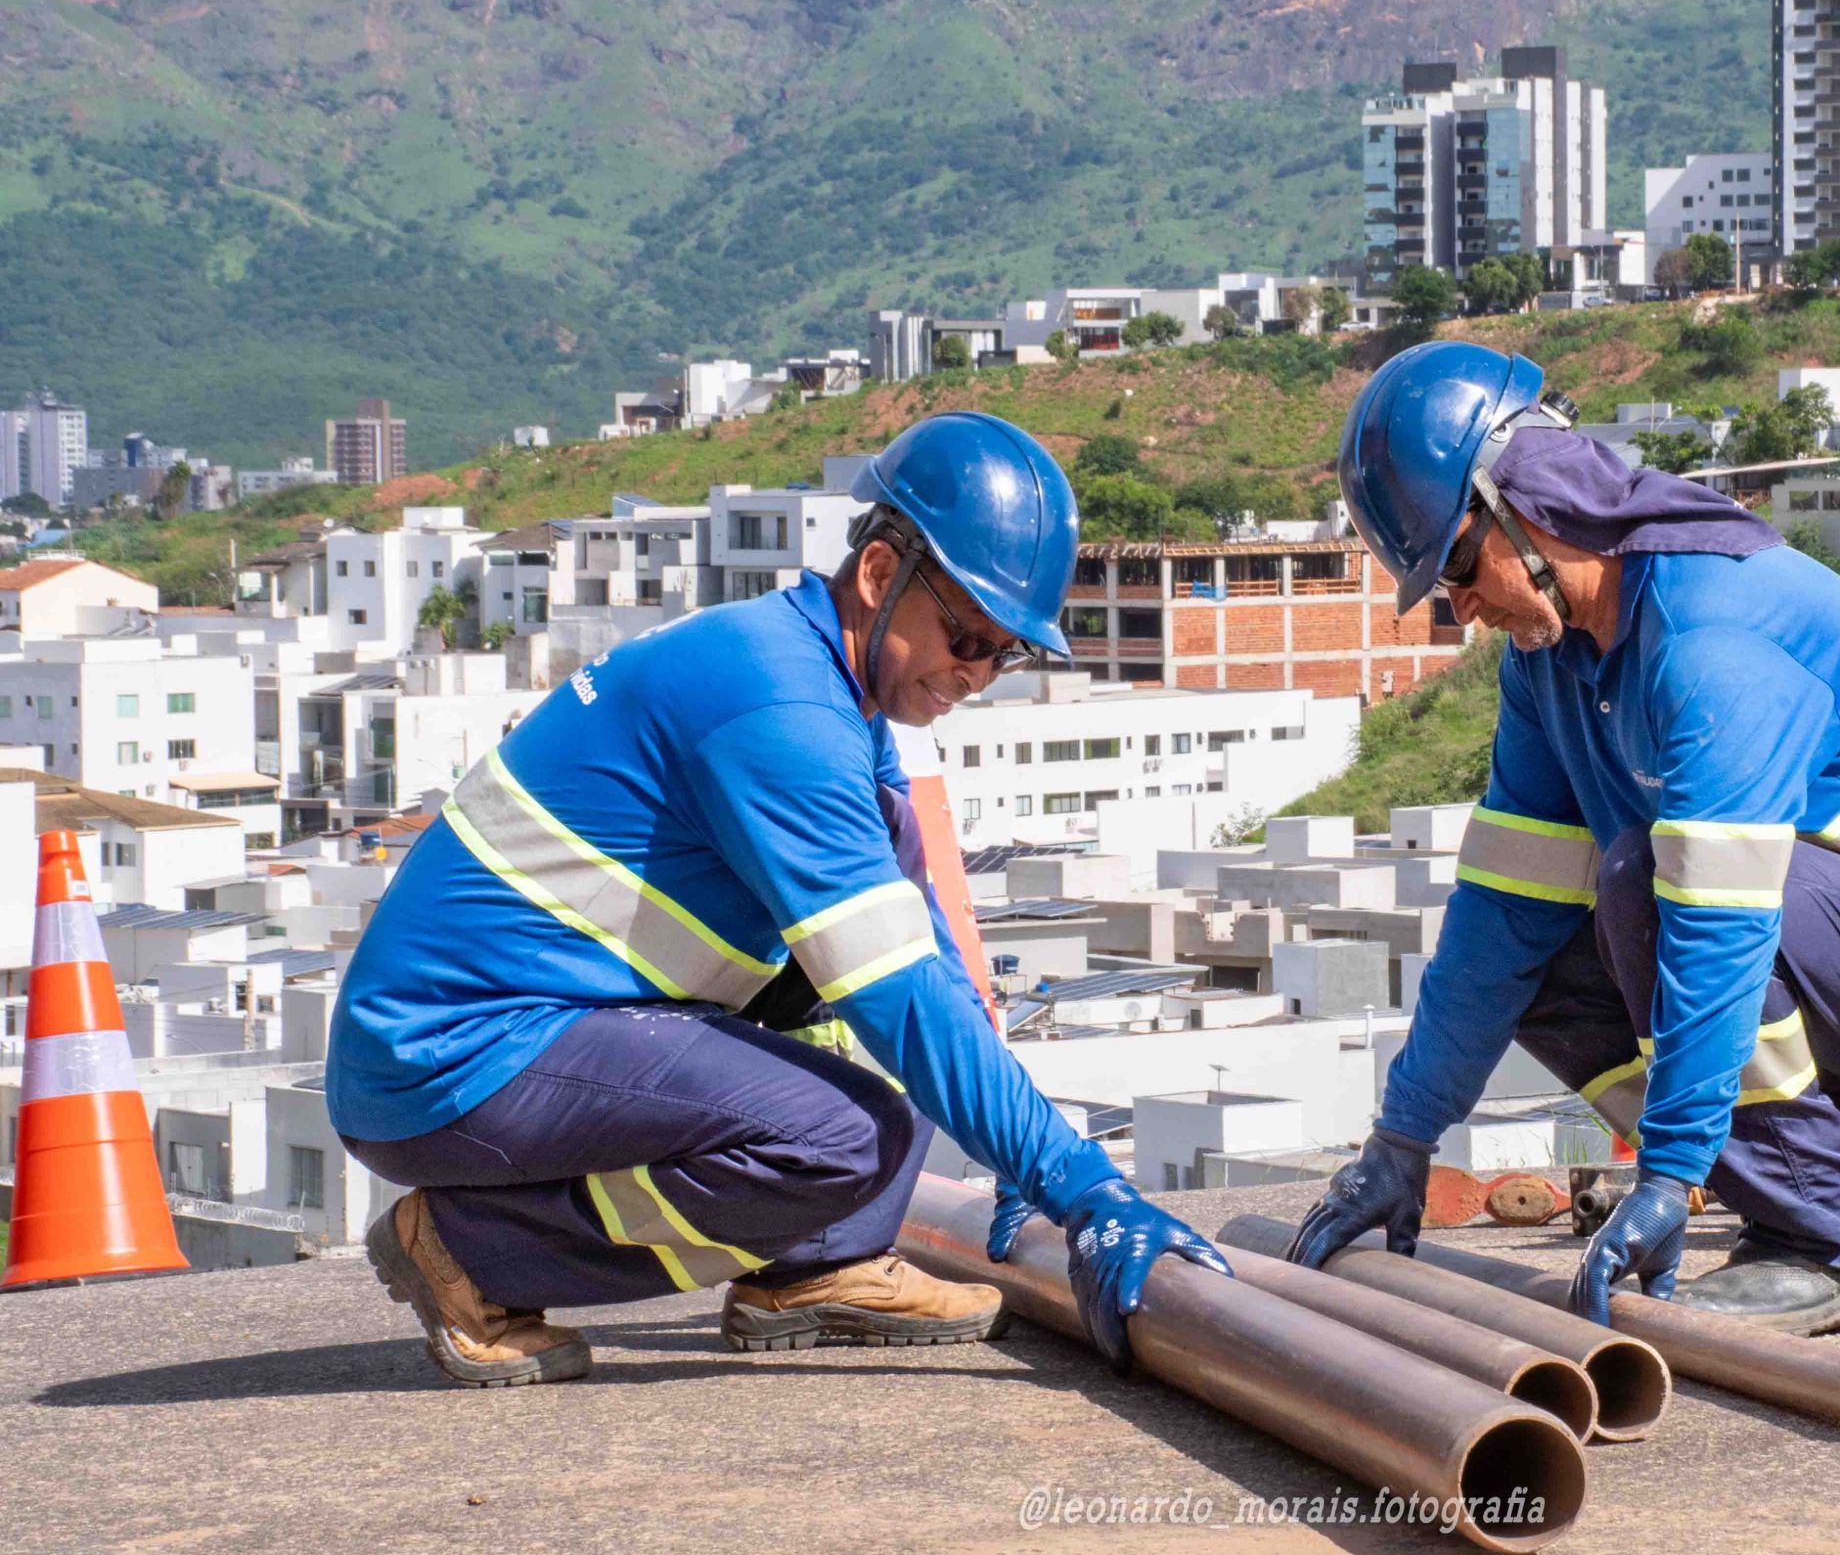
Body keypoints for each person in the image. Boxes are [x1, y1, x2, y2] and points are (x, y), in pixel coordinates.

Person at [330, 412, 1226, 1387]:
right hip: (449, 1054)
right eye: (967, 634)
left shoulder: (834, 697)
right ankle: (470, 1253)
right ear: (880, 576)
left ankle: (811, 1269)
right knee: (839, 1131)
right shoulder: (777, 708)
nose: (974, 674)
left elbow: (920, 955)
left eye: (1005, 653)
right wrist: (1084, 1191)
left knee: (891, 1043)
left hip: (547, 1025)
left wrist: (1022, 1153)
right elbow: (900, 1000)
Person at [1289, 341, 1840, 1335]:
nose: (1458, 605)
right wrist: (1401, 1140)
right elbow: (1501, 919)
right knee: (1546, 958)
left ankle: (1825, 1247)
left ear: (1530, 504)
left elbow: (1718, 926)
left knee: (1650, 875)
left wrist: (1669, 1176)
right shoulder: (1549, 669)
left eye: (1458, 561)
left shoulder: (1716, 637)